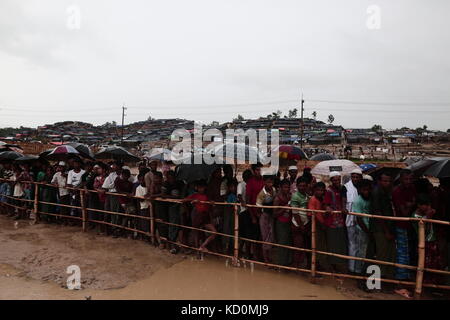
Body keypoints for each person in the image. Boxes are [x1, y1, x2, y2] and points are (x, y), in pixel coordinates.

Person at [370, 172, 397, 293]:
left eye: (389, 181)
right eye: (385, 181)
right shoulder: (377, 193)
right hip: (380, 228)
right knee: (382, 255)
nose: (387, 183)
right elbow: (378, 213)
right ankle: (376, 283)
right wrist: (386, 231)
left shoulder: (386, 192)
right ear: (380, 181)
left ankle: (387, 281)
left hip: (388, 227)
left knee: (390, 255)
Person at [392, 169, 416, 298]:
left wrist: (409, 204)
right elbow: (404, 212)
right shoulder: (397, 191)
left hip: (411, 226)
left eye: (410, 179)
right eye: (406, 179)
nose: (408, 181)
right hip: (401, 225)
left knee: (409, 252)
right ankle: (400, 283)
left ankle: (406, 278)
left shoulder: (412, 189)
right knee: (402, 253)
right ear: (401, 179)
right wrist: (411, 204)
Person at [411, 195, 442, 285]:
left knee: (435, 264)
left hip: (433, 241)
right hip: (424, 243)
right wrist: (428, 218)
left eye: (428, 205)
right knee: (425, 265)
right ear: (419, 205)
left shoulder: (427, 213)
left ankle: (433, 285)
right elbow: (424, 232)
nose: (428, 207)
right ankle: (424, 285)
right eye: (425, 205)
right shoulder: (415, 216)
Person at [350, 179, 373, 290]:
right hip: (362, 230)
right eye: (364, 190)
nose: (366, 192)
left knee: (370, 255)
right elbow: (359, 220)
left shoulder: (371, 199)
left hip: (371, 229)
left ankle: (368, 276)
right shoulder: (358, 201)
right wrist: (368, 232)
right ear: (359, 190)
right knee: (361, 253)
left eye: (368, 190)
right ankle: (359, 276)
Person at [183, 179, 217, 253]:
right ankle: (197, 250)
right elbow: (184, 200)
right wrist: (193, 201)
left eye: (202, 187)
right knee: (196, 233)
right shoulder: (195, 195)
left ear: (205, 187)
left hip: (205, 216)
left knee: (214, 232)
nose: (201, 189)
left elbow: (210, 207)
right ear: (196, 188)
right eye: (199, 187)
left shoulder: (206, 196)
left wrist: (211, 203)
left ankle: (203, 246)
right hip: (197, 215)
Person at [323, 171, 348, 272]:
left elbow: (344, 201)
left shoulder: (342, 189)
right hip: (332, 221)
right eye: (335, 180)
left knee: (340, 242)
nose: (337, 181)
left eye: (338, 179)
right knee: (332, 243)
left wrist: (344, 208)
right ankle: (332, 265)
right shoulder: (328, 191)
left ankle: (339, 263)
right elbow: (326, 204)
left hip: (340, 220)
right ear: (331, 180)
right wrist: (328, 208)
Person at [345, 168, 364, 273]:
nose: (355, 179)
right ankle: (352, 268)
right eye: (353, 177)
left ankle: (358, 267)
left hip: (361, 221)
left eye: (357, 177)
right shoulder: (347, 187)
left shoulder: (363, 188)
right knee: (352, 244)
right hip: (350, 220)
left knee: (360, 244)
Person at [307, 182, 329, 271]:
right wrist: (321, 225)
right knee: (315, 245)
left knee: (321, 246)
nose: (320, 192)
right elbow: (311, 214)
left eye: (322, 190)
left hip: (322, 225)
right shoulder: (313, 200)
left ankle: (319, 264)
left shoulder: (322, 199)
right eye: (318, 190)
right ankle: (315, 266)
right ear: (314, 191)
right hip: (315, 226)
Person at [290, 176, 311, 268]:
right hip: (297, 225)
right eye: (300, 186)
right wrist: (301, 226)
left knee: (305, 246)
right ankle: (296, 266)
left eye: (304, 186)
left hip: (306, 223)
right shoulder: (295, 196)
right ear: (297, 186)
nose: (302, 187)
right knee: (298, 246)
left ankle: (303, 265)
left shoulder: (306, 196)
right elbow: (295, 213)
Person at [256, 174, 276, 264]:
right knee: (265, 237)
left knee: (271, 236)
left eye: (271, 182)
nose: (270, 184)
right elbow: (258, 207)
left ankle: (269, 256)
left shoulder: (274, 190)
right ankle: (265, 258)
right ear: (264, 182)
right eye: (268, 182)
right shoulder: (261, 194)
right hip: (264, 216)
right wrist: (261, 217)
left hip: (271, 216)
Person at [273, 179, 293, 267]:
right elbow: (274, 213)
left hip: (289, 221)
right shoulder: (277, 198)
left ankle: (288, 262)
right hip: (281, 223)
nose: (287, 189)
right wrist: (284, 208)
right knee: (282, 242)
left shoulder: (290, 196)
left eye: (288, 187)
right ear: (281, 188)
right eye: (285, 187)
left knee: (288, 242)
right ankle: (281, 263)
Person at [237, 169, 255, 259]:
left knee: (247, 234)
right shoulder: (241, 184)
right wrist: (243, 203)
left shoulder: (250, 185)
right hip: (244, 211)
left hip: (249, 210)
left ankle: (244, 252)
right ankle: (244, 252)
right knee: (245, 233)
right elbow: (239, 195)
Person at [115, 169, 135, 238]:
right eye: (124, 175)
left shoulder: (130, 183)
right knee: (122, 217)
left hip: (128, 202)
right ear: (122, 175)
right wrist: (127, 194)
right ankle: (121, 231)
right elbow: (118, 191)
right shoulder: (118, 181)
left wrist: (131, 194)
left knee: (129, 216)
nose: (125, 177)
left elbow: (132, 192)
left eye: (127, 176)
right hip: (121, 201)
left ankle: (128, 232)